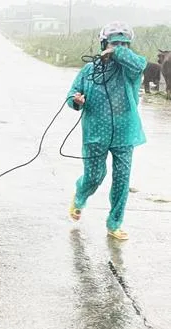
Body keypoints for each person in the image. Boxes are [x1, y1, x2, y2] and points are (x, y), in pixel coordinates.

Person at [66, 21, 146, 240]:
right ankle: (80, 195)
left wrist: (117, 51)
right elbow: (72, 93)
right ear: (103, 43)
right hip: (95, 132)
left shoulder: (130, 71)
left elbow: (140, 65)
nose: (119, 47)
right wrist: (76, 100)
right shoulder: (89, 70)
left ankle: (114, 223)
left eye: (124, 44)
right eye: (114, 43)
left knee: (122, 180)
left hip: (124, 132)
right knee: (95, 175)